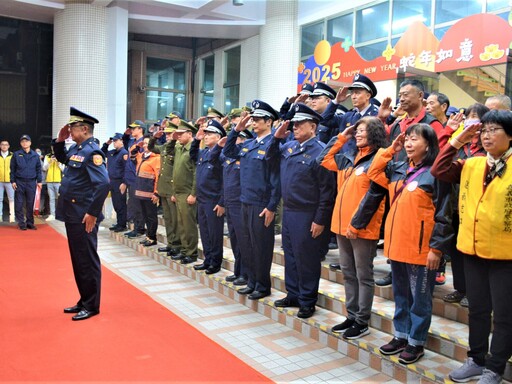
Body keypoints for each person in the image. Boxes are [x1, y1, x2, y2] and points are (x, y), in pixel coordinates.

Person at [431, 110, 512, 384]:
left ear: (510, 135)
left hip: (506, 255)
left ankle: (495, 368)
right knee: (477, 310)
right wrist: (456, 141)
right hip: (473, 251)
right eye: (484, 130)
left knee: (503, 315)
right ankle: (476, 360)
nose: (487, 136)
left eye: (494, 130)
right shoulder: (473, 163)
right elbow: (439, 170)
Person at [365, 123, 451, 364]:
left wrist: (436, 249)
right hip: (398, 246)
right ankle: (401, 335)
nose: (410, 143)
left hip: (422, 250)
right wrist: (391, 149)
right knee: (401, 296)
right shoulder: (399, 168)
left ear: (429, 145)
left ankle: (416, 342)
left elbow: (444, 215)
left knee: (420, 300)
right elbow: (373, 171)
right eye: (408, 139)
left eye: (415, 139)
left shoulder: (436, 173)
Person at [318, 116, 387, 338]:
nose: (357, 134)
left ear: (374, 133)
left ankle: (362, 321)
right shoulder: (348, 158)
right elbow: (323, 158)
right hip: (341, 227)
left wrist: (357, 225)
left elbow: (375, 198)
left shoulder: (378, 159)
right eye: (356, 131)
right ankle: (351, 315)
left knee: (363, 275)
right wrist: (342, 137)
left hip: (362, 229)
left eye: (362, 130)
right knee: (348, 273)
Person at [267, 103, 334, 318]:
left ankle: (307, 299)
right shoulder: (290, 147)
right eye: (293, 124)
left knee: (307, 258)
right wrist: (276, 138)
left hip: (308, 213)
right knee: (291, 255)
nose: (294, 128)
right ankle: (293, 294)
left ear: (313, 127)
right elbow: (269, 157)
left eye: (300, 124)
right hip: (289, 211)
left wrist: (320, 220)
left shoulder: (321, 152)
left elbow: (327, 191)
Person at [53, 107, 110, 321]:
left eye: (73, 127)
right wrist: (59, 141)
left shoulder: (92, 152)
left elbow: (103, 184)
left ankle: (92, 305)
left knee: (87, 259)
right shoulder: (77, 149)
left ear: (84, 129)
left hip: (83, 215)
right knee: (78, 259)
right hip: (72, 212)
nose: (69, 129)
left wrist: (93, 213)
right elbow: (63, 159)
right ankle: (84, 299)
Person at [223, 100, 281, 300]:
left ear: (269, 121)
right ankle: (252, 281)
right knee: (248, 244)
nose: (253, 123)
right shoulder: (248, 143)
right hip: (244, 201)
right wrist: (236, 129)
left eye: (257, 120)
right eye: (252, 120)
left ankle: (263, 285)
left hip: (261, 203)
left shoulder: (274, 143)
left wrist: (272, 206)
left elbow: (276, 179)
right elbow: (228, 152)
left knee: (262, 246)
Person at [441, 103, 489, 307]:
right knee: (457, 250)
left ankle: (476, 292)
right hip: (454, 205)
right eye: (468, 117)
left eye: (476, 118)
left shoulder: (488, 148)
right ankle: (461, 288)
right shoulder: (460, 145)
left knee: (475, 255)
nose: (471, 122)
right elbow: (441, 162)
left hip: (476, 210)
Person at [216, 125, 253, 285]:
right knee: (235, 240)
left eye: (236, 138)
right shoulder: (228, 158)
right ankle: (238, 271)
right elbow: (226, 183)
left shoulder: (244, 158)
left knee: (244, 241)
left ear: (243, 140)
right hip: (230, 203)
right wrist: (223, 202)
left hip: (240, 204)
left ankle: (246, 273)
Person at [190, 120, 226, 274]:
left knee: (214, 233)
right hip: (202, 199)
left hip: (213, 200)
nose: (206, 136)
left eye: (209, 134)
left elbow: (225, 179)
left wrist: (222, 201)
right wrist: (196, 139)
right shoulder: (204, 152)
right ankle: (207, 259)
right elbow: (192, 155)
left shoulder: (221, 155)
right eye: (206, 134)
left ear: (218, 137)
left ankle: (215, 263)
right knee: (204, 232)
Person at [149, 121, 182, 257]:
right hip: (163, 188)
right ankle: (170, 243)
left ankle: (177, 245)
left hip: (172, 188)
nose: (168, 136)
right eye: (167, 134)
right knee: (168, 219)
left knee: (175, 220)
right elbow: (151, 147)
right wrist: (155, 137)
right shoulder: (164, 147)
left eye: (170, 134)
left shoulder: (177, 148)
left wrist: (175, 190)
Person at [171, 120, 199, 264]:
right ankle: (184, 250)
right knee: (181, 224)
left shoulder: (193, 150)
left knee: (189, 225)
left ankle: (191, 252)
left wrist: (193, 194)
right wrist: (174, 192)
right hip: (179, 192)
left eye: (181, 134)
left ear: (189, 134)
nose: (178, 137)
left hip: (188, 192)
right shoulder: (180, 148)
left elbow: (196, 173)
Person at [133, 135, 160, 247]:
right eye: (143, 143)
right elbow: (132, 155)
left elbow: (158, 177)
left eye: (147, 143)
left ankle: (152, 237)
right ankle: (148, 236)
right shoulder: (142, 156)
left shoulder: (156, 158)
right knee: (144, 215)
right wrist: (136, 146)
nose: (145, 145)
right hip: (140, 192)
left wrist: (156, 192)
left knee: (151, 216)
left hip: (150, 193)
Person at [10, 135, 42, 230]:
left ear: (30, 143)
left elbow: (38, 169)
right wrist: (13, 181)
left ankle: (30, 222)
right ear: (20, 143)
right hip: (19, 181)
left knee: (30, 203)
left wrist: (39, 181)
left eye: (26, 141)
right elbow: (12, 169)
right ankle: (21, 223)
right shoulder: (16, 154)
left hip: (31, 182)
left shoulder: (35, 155)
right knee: (19, 203)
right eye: (23, 141)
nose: (25, 143)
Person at [122, 120, 146, 238]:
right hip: (130, 177)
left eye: (134, 128)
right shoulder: (133, 141)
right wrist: (126, 134)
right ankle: (137, 227)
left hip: (137, 177)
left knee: (137, 204)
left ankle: (139, 228)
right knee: (132, 203)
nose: (132, 131)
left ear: (140, 129)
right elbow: (125, 141)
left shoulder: (142, 143)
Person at [101, 133, 129, 232]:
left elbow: (127, 169)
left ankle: (122, 224)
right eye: (113, 141)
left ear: (121, 141)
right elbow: (102, 152)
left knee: (120, 203)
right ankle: (119, 223)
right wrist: (106, 143)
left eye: (116, 141)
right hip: (112, 181)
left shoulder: (124, 153)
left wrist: (124, 183)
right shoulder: (113, 152)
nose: (114, 143)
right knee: (116, 203)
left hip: (120, 181)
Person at [42, 144, 65, 221]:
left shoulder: (61, 156)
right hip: (49, 180)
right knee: (51, 198)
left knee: (60, 198)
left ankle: (60, 214)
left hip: (58, 180)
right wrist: (50, 162)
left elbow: (63, 169)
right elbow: (44, 168)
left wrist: (58, 163)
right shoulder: (47, 156)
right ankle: (52, 214)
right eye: (52, 147)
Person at [0, 140, 15, 223]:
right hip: (0, 181)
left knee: (11, 199)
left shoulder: (12, 156)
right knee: (0, 199)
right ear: (0, 146)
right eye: (2, 145)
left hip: (10, 181)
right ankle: (0, 216)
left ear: (8, 146)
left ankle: (12, 216)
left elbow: (15, 168)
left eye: (6, 145)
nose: (4, 146)